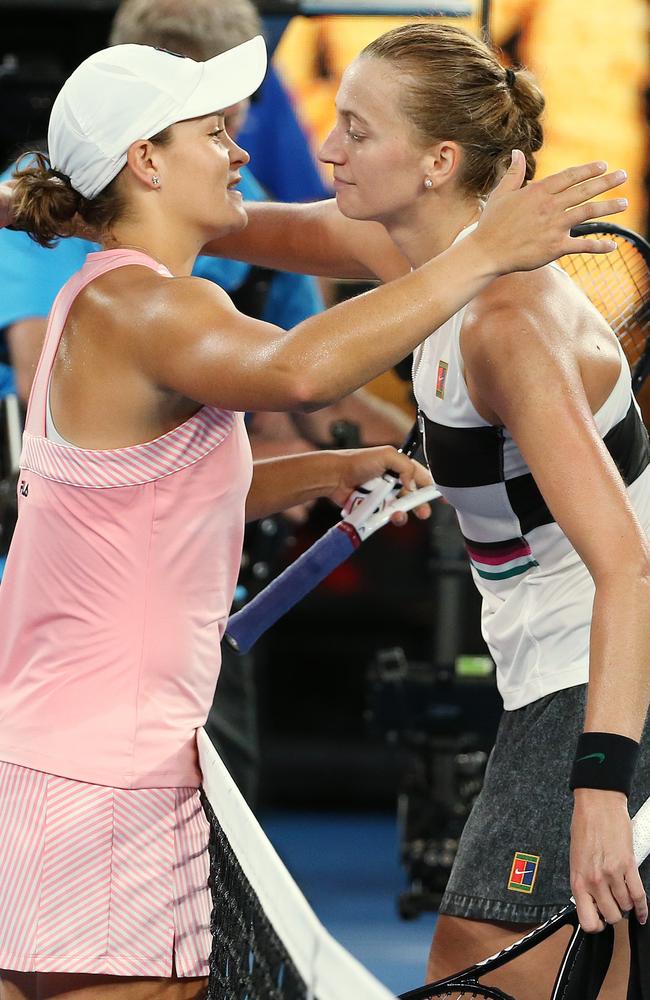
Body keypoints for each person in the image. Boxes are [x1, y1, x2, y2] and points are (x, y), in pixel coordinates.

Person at [0, 33, 628, 1000]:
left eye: (353, 127)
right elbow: (297, 367)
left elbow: (154, 499)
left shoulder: (111, 293)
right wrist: (482, 251)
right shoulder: (154, 308)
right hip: (104, 775)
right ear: (147, 162)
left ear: (437, 161)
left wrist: (317, 470)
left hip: (68, 762)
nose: (275, 148)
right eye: (218, 131)